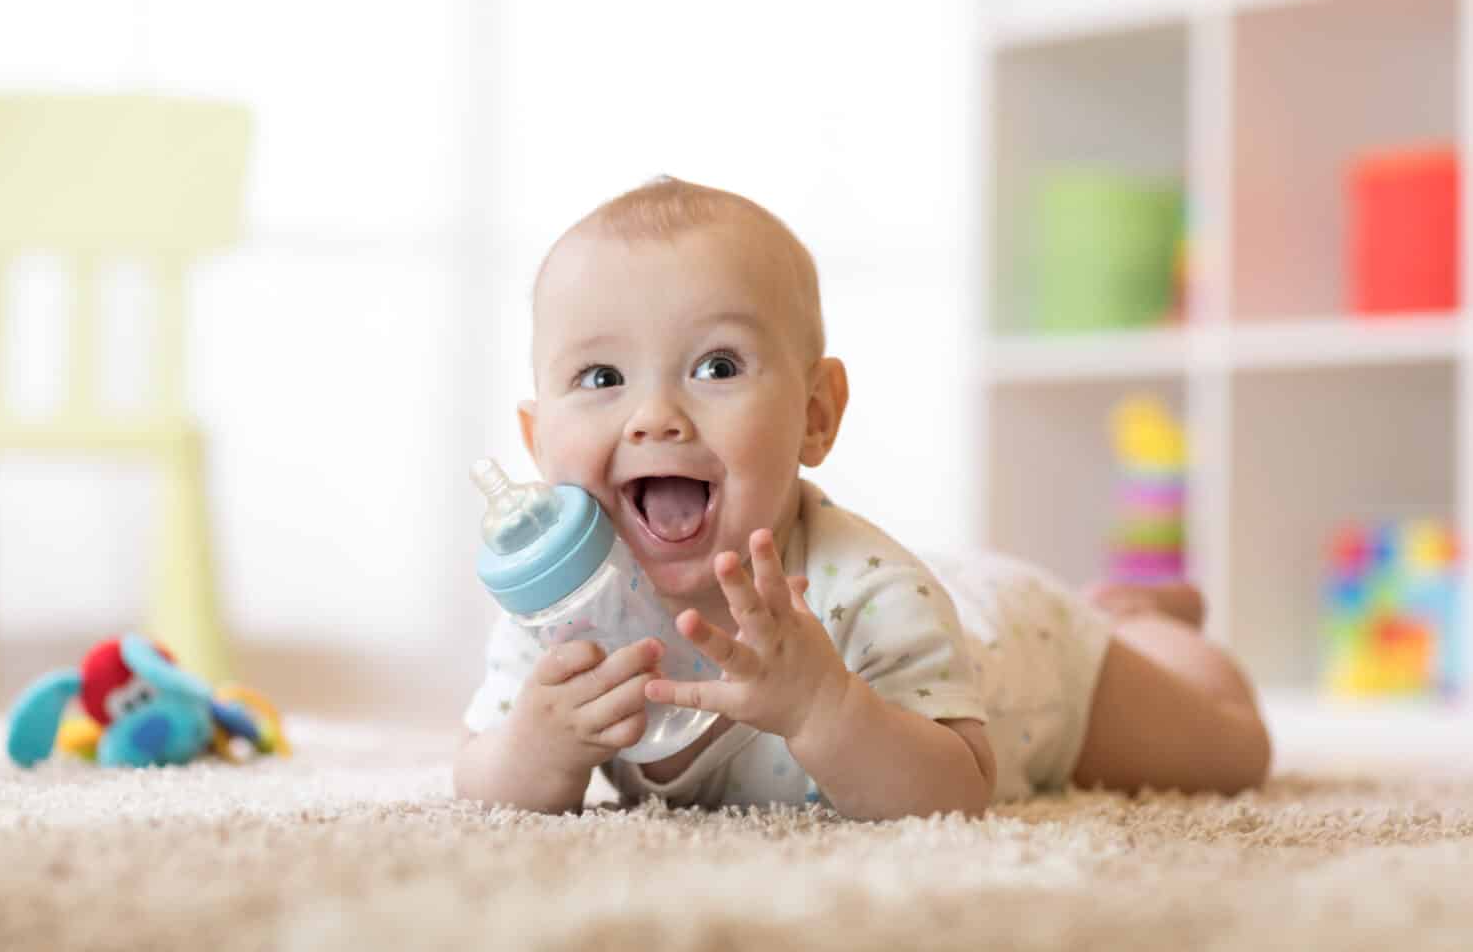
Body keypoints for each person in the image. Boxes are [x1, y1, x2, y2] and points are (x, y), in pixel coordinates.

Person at [453, 176, 1271, 819]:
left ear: (815, 416)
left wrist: (825, 709)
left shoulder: (869, 591)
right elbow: (481, 771)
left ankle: (1136, 623)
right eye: (600, 378)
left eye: (717, 367)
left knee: (1232, 753)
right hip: (955, 603)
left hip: (1024, 655)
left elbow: (957, 792)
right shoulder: (563, 616)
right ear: (536, 442)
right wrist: (534, 748)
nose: (656, 417)